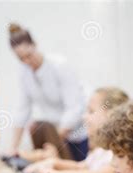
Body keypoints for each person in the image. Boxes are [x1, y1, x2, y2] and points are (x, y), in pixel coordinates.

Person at [8, 23, 88, 161]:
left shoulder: (59, 65)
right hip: (55, 136)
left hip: (75, 135)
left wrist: (55, 141)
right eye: (21, 59)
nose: (27, 61)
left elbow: (74, 107)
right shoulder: (23, 73)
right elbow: (22, 110)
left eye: (29, 55)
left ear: (35, 45)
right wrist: (13, 148)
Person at [23, 87, 129, 173]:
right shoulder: (100, 150)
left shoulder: (119, 151)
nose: (84, 117)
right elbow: (80, 167)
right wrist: (53, 163)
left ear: (111, 116)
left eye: (91, 111)